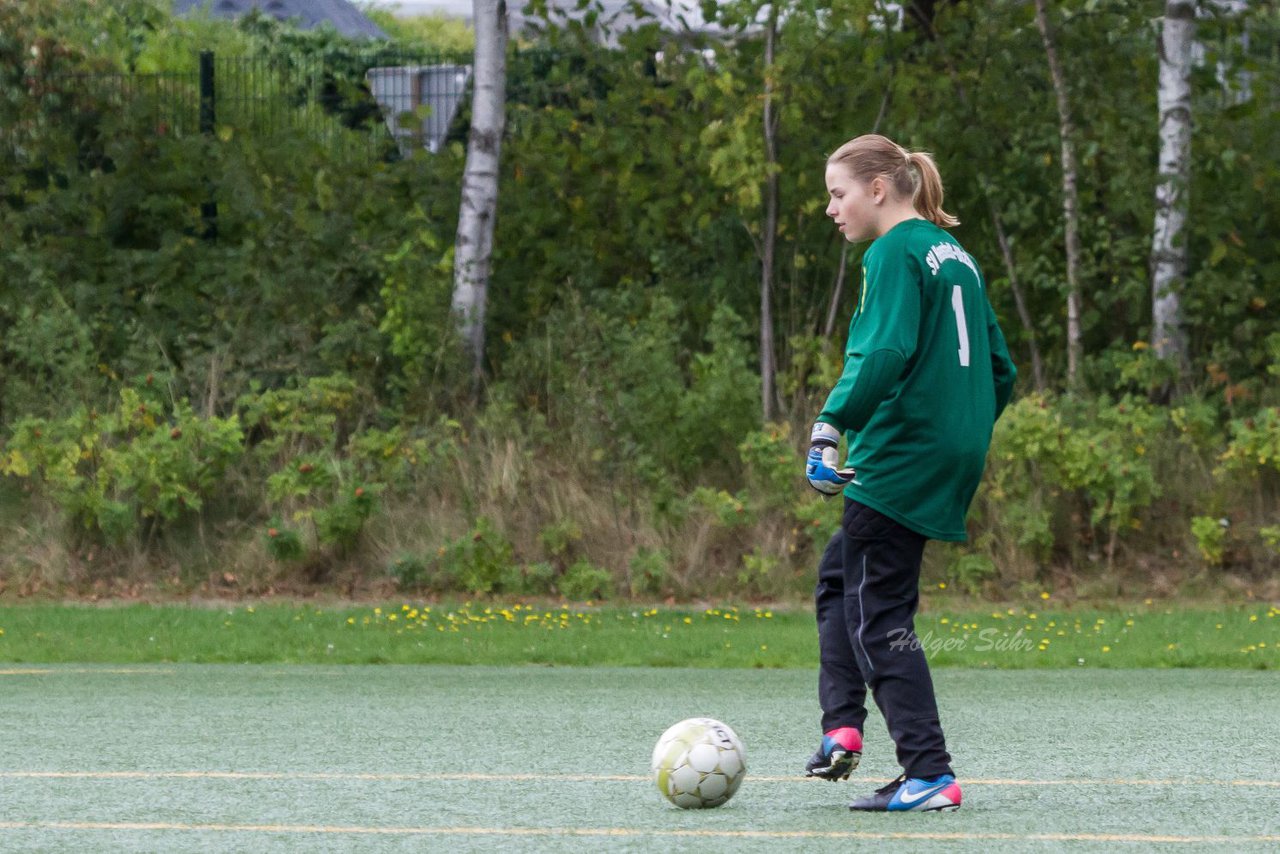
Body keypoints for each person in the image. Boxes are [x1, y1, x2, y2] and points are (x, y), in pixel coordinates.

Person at [802, 134, 1017, 812]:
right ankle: (841, 727)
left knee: (879, 616)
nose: (832, 209)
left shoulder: (892, 250)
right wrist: (960, 430)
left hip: (901, 454)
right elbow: (1000, 370)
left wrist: (831, 424)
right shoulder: (956, 255)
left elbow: (885, 349)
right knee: (841, 580)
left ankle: (928, 773)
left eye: (838, 194)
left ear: (876, 189)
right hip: (945, 451)